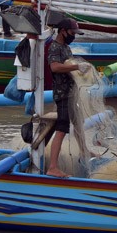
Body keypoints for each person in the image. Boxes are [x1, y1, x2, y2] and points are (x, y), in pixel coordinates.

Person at [46, 18, 92, 178]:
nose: (74, 36)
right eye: (72, 33)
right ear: (63, 31)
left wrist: (80, 72)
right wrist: (77, 66)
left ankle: (84, 150)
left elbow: (68, 66)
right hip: (62, 94)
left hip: (71, 94)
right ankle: (52, 167)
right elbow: (55, 67)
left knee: (79, 122)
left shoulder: (66, 47)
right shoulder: (54, 47)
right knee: (62, 128)